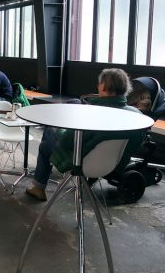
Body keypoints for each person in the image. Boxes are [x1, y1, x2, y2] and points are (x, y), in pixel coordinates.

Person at [26, 68, 146, 201]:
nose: (97, 85)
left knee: (47, 136)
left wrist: (59, 127)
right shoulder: (137, 115)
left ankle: (39, 187)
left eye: (99, 83)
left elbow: (67, 141)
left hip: (81, 163)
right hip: (116, 164)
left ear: (104, 86)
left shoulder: (91, 114)